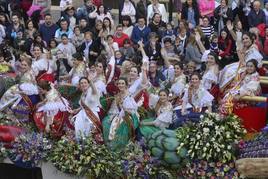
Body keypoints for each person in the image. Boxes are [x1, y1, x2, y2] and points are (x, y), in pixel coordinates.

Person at [102, 77, 140, 151]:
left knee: (121, 125)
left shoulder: (129, 94)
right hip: (119, 114)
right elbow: (115, 109)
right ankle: (109, 146)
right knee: (106, 121)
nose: (121, 85)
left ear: (126, 85)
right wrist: (112, 116)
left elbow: (132, 110)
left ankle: (119, 148)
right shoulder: (118, 95)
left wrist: (123, 109)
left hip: (129, 115)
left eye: (122, 83)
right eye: (119, 83)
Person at [0, 57, 39, 121]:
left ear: (29, 66)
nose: (23, 66)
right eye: (22, 64)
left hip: (28, 97)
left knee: (9, 99)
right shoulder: (27, 72)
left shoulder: (28, 76)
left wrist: (16, 92)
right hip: (22, 91)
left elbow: (29, 91)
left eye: (25, 65)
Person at [72, 76, 102, 141]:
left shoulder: (92, 91)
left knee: (90, 132)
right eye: (81, 83)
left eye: (85, 82)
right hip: (82, 115)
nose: (83, 84)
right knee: (80, 131)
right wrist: (76, 110)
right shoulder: (82, 94)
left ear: (88, 84)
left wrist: (91, 81)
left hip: (91, 114)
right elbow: (83, 106)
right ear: (79, 85)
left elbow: (95, 90)